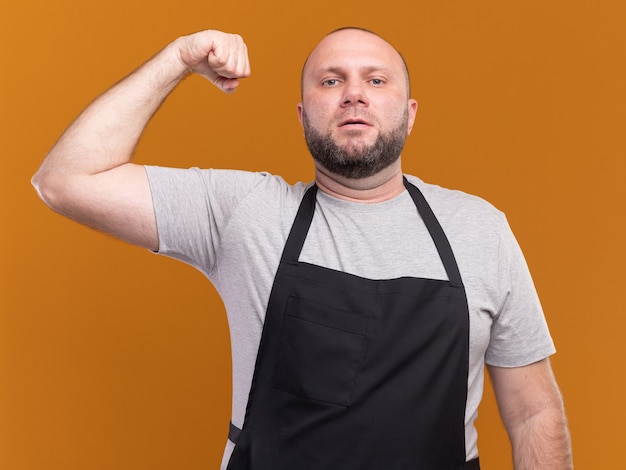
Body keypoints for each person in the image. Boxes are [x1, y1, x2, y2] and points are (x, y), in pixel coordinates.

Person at [32, 27, 573, 469]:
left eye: (375, 79)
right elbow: (65, 179)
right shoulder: (247, 213)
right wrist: (177, 58)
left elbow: (533, 414)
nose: (354, 94)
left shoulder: (480, 229)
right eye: (330, 81)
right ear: (302, 115)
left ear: (409, 113)